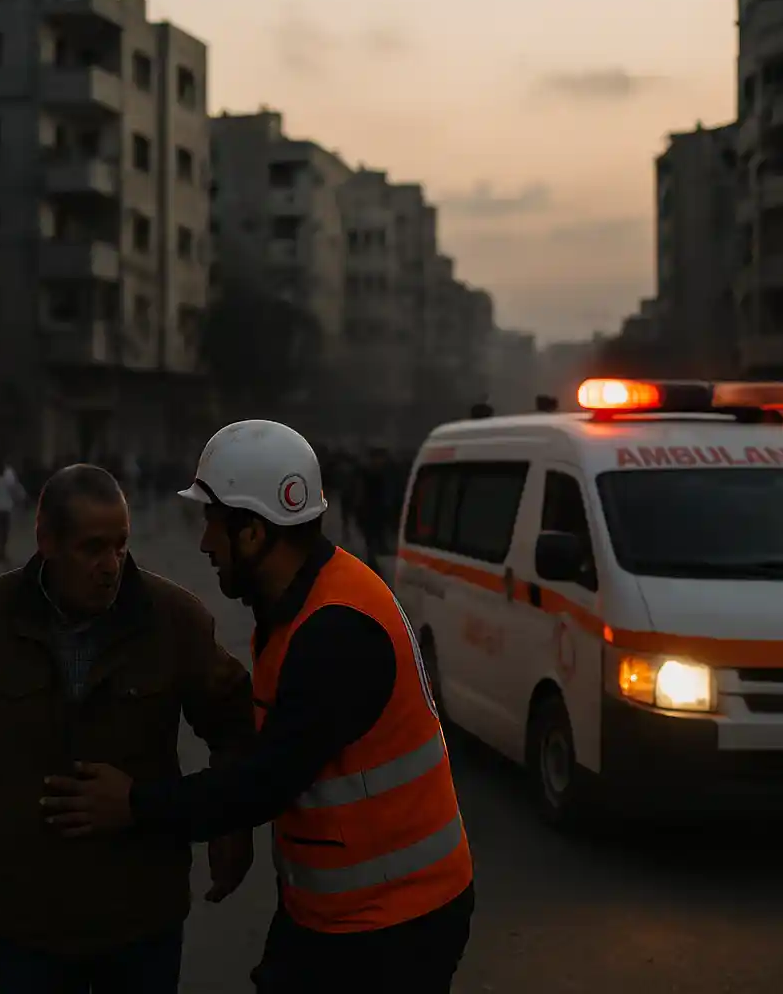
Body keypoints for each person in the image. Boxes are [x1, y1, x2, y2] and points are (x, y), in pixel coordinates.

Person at [42, 421, 475, 993]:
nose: (204, 543)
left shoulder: (335, 633)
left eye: (212, 523)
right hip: (336, 912)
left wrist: (134, 804)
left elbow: (265, 782)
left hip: (394, 924)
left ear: (251, 532)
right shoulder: (297, 603)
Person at [0, 464, 257, 994]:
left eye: (120, 545)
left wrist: (231, 824)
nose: (111, 566)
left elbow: (235, 727)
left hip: (143, 917)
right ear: (47, 541)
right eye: (92, 549)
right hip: (30, 921)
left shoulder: (172, 618)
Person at [0, 455, 25, 564]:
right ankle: (1, 550)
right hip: (1, 508)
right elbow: (14, 488)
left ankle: (1, 550)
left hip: (1, 507)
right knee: (1, 531)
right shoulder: (2, 474)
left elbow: (14, 488)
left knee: (2, 531)